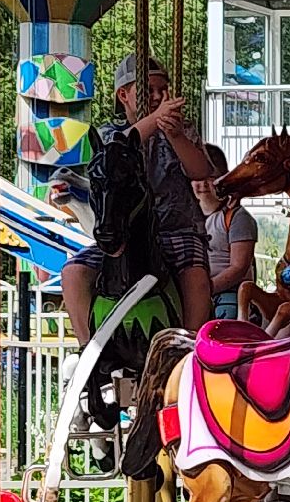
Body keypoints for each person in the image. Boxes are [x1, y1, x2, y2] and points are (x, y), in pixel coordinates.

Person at [62, 56, 217, 345]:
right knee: (73, 273)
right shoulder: (109, 133)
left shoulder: (182, 128)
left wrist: (176, 136)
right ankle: (90, 350)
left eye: (163, 89)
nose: (158, 96)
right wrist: (153, 121)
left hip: (175, 229)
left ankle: (190, 350)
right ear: (124, 95)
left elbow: (201, 171)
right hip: (123, 235)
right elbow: (113, 150)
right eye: (149, 90)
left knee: (196, 277)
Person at [195, 145, 257, 321]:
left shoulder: (237, 217)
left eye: (211, 178)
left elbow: (239, 267)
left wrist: (206, 289)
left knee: (224, 322)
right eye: (197, 178)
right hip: (194, 291)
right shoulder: (185, 218)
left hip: (229, 292)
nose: (203, 185)